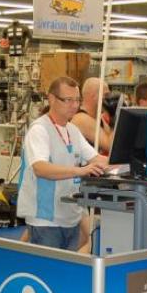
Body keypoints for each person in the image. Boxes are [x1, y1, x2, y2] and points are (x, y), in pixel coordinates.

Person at [17, 76, 107, 251]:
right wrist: (79, 171)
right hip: (45, 220)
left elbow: (96, 160)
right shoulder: (39, 130)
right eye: (68, 100)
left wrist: (127, 162)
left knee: (65, 274)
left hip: (69, 217)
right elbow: (40, 168)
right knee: (47, 274)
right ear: (51, 99)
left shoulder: (72, 130)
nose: (74, 105)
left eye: (77, 100)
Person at [71, 77, 113, 154]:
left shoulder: (99, 119)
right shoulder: (81, 119)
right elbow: (110, 145)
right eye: (106, 95)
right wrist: (114, 117)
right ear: (93, 96)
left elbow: (114, 139)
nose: (108, 99)